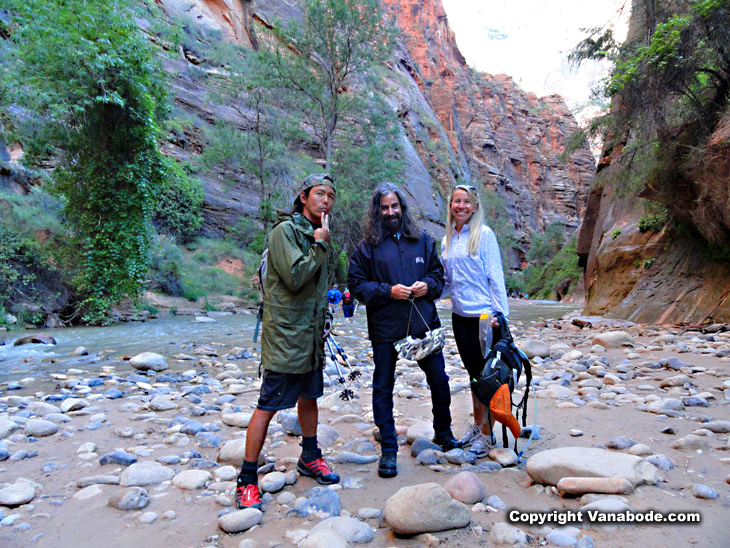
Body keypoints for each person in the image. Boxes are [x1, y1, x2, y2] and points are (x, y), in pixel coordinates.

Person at [235, 173, 340, 510]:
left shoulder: (318, 232)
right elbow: (295, 278)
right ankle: (247, 479)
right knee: (268, 404)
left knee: (310, 397)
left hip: (310, 336)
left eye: (331, 196)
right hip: (285, 336)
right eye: (319, 194)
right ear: (303, 196)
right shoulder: (284, 232)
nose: (326, 201)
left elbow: (318, 287)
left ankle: (310, 457)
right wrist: (321, 243)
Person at [348, 182, 462, 479]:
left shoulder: (423, 240)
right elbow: (357, 285)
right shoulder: (366, 247)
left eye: (394, 206)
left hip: (423, 322)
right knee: (383, 386)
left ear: (402, 208)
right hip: (386, 327)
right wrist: (388, 292)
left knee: (439, 378)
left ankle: (444, 432)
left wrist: (429, 286)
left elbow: (438, 276)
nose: (390, 212)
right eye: (384, 208)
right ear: (377, 211)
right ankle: (388, 448)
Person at [441, 184, 510, 458]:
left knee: (487, 376)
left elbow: (496, 276)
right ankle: (479, 426)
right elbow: (448, 282)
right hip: (460, 316)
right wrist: (427, 292)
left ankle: (487, 433)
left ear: (475, 206)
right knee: (472, 375)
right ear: (450, 206)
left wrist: (500, 316)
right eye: (456, 201)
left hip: (484, 317)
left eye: (466, 202)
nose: (461, 206)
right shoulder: (448, 239)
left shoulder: (484, 235)